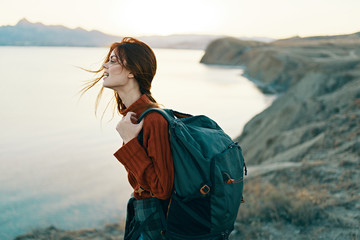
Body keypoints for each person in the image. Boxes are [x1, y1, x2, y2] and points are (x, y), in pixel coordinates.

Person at [82, 37, 174, 240]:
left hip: (158, 223)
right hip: (145, 215)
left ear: (133, 71)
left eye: (113, 61)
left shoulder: (152, 119)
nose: (105, 65)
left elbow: (162, 189)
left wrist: (130, 143)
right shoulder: (134, 117)